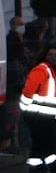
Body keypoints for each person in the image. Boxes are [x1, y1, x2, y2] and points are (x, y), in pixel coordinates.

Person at [20, 43, 56, 173]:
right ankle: (53, 170)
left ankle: (36, 172)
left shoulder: (51, 71)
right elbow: (28, 91)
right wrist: (24, 108)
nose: (53, 57)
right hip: (37, 114)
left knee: (40, 144)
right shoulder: (42, 70)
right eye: (50, 54)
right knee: (48, 143)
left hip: (42, 114)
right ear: (44, 56)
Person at [4, 14, 28, 151]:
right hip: (15, 81)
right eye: (20, 25)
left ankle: (12, 140)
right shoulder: (14, 40)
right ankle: (12, 140)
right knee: (14, 112)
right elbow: (22, 55)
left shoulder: (10, 39)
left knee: (14, 111)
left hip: (14, 80)